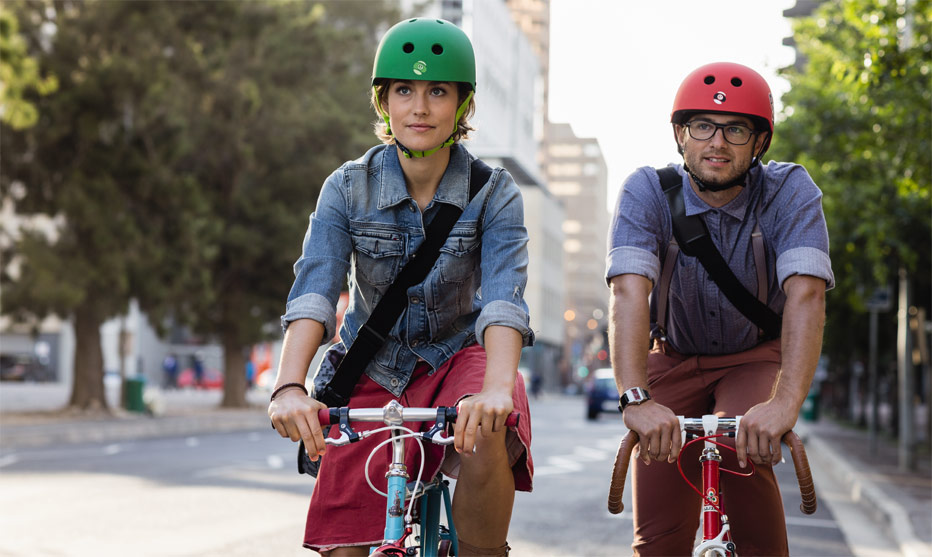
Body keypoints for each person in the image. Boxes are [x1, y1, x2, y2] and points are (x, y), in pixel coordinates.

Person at [268, 18, 534, 557]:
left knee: (487, 428)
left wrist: (498, 389)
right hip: (370, 364)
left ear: (462, 106)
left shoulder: (495, 192)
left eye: (438, 91)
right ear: (383, 101)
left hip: (459, 358)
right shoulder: (346, 186)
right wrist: (288, 386)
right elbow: (315, 292)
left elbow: (504, 300)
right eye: (404, 90)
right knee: (345, 547)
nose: (419, 107)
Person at [606, 62, 833, 555]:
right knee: (658, 540)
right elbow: (628, 292)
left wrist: (784, 405)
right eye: (702, 126)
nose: (718, 142)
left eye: (736, 129)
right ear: (680, 135)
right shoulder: (647, 190)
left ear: (759, 143)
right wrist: (635, 399)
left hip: (754, 357)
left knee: (740, 447)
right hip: (672, 356)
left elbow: (807, 294)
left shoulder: (789, 190)